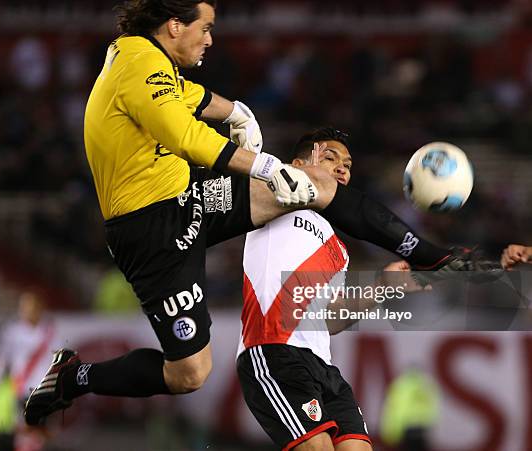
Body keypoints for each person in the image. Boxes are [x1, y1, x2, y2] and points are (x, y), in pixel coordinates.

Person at [24, 1, 499, 426]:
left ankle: (429, 253)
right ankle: (75, 378)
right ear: (174, 25)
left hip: (188, 198)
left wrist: (238, 111)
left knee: (313, 186)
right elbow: (184, 135)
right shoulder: (138, 61)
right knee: (190, 373)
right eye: (204, 27)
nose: (210, 39)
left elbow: (191, 98)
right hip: (149, 229)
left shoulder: (152, 66)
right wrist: (269, 166)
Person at [237, 127, 428, 451]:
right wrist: (297, 174)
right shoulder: (272, 200)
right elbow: (247, 172)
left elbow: (329, 319)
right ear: (297, 164)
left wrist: (382, 288)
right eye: (330, 157)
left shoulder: (339, 249)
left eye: (348, 164)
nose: (342, 168)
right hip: (273, 351)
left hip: (322, 366)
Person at [0, 291, 55, 451]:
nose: (27, 310)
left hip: (44, 392)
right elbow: (1, 359)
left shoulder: (49, 332)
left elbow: (56, 362)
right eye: (24, 307)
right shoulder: (12, 331)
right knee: (23, 432)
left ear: (40, 308)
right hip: (21, 389)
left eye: (31, 306)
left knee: (38, 434)